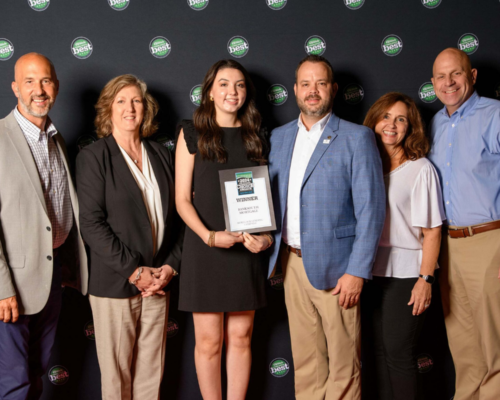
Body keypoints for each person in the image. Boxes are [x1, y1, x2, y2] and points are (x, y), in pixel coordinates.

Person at [267, 54, 386, 400]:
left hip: (339, 269)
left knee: (344, 363)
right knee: (306, 361)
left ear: (333, 89)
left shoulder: (356, 138)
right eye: (305, 84)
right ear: (295, 90)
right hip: (291, 265)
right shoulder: (278, 138)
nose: (312, 91)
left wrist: (357, 271)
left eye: (320, 83)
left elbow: (372, 209)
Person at [76, 74, 183, 400]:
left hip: (158, 283)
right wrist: (135, 271)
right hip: (116, 284)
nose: (130, 108)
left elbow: (180, 218)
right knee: (117, 378)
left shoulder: (161, 155)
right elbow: (91, 224)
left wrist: (169, 268)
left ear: (146, 108)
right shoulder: (94, 157)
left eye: (136, 100)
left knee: (151, 376)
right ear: (108, 109)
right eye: (121, 101)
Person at [175, 59, 270, 400]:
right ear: (210, 91)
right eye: (225, 84)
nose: (233, 91)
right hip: (206, 250)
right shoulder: (191, 133)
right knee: (209, 341)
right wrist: (210, 237)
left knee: (242, 338)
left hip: (246, 252)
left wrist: (266, 238)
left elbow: (261, 203)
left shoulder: (256, 137)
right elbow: (182, 200)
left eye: (240, 85)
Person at [0, 53, 88, 399]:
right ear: (15, 88)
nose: (39, 89)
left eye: (46, 80)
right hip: (12, 285)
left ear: (56, 86)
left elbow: (55, 205)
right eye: (30, 81)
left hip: (52, 277)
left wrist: (67, 263)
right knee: (14, 380)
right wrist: (2, 286)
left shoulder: (56, 139)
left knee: (36, 374)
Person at [361, 92, 445, 400]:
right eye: (385, 117)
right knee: (379, 353)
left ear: (410, 128)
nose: (391, 125)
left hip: (408, 274)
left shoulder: (420, 169)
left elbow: (433, 231)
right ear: (374, 121)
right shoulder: (366, 166)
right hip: (370, 272)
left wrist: (425, 280)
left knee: (398, 354)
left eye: (401, 119)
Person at [428, 48, 500, 400]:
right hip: (448, 245)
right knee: (463, 342)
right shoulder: (435, 123)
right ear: (433, 84)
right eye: (441, 77)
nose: (448, 83)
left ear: (471, 77)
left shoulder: (495, 114)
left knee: (496, 342)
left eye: (456, 74)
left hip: (490, 240)